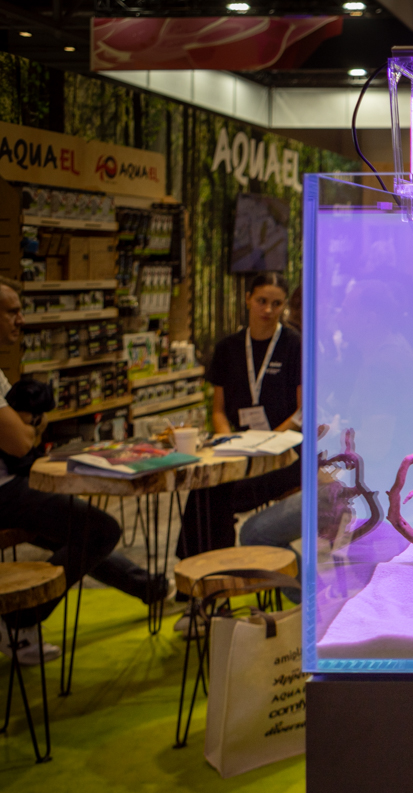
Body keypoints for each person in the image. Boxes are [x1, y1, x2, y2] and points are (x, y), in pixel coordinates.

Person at [0, 279, 165, 657]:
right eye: (12, 312)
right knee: (99, 530)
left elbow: (24, 426)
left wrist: (28, 424)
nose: (21, 320)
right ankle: (19, 621)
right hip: (5, 490)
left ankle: (148, 586)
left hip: (12, 481)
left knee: (77, 532)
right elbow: (20, 440)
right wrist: (32, 424)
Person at [177, 273, 301, 558]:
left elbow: (302, 412)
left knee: (218, 494)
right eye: (261, 301)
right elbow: (218, 411)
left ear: (284, 306)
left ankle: (219, 569)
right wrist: (229, 441)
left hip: (286, 453)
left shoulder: (295, 345)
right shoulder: (227, 348)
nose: (268, 310)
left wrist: (269, 441)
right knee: (205, 488)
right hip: (240, 450)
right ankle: (198, 570)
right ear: (248, 300)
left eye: (276, 304)